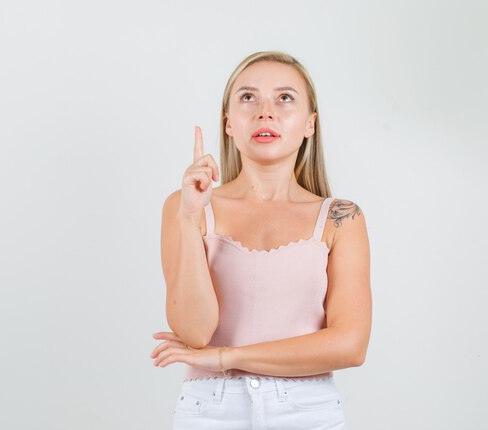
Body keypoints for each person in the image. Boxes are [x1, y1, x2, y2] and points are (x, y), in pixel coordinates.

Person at [151, 50, 371, 429]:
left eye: (285, 98)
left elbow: (349, 345)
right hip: (210, 412)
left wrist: (225, 358)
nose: (265, 112)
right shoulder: (187, 206)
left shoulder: (340, 218)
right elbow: (194, 331)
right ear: (229, 124)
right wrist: (189, 218)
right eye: (248, 97)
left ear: (310, 124)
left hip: (308, 411)